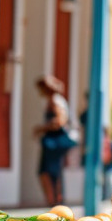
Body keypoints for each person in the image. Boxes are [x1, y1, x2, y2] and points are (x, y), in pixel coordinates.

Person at [33, 75, 74, 207]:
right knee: (51, 171)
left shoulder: (55, 101)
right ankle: (54, 201)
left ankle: (53, 202)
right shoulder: (56, 100)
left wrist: (41, 128)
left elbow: (59, 121)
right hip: (53, 141)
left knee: (48, 172)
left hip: (54, 142)